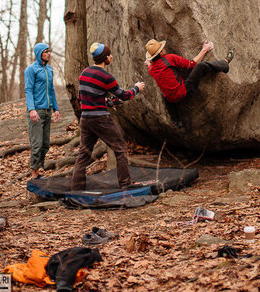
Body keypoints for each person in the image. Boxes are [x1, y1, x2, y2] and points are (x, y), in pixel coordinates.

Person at [71, 42, 145, 191]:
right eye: (109, 54)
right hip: (101, 119)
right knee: (120, 148)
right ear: (105, 58)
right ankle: (125, 183)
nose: (111, 56)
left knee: (84, 154)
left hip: (85, 119)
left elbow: (86, 97)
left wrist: (109, 102)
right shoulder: (106, 76)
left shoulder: (84, 73)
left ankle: (76, 188)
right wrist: (137, 88)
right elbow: (124, 95)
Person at [145, 38, 234, 129]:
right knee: (201, 66)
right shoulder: (169, 58)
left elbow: (149, 68)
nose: (164, 49)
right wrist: (204, 50)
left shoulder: (152, 69)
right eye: (162, 48)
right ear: (160, 53)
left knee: (166, 95)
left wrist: (148, 63)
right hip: (184, 92)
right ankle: (225, 63)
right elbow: (191, 64)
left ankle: (176, 120)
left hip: (171, 99)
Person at [24, 43, 61, 179]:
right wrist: (31, 109)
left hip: (47, 111)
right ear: (39, 54)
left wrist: (56, 108)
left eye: (49, 51)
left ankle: (38, 170)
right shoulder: (31, 70)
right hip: (37, 111)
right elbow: (28, 90)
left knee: (45, 144)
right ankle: (34, 174)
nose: (48, 53)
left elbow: (51, 90)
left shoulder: (49, 70)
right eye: (45, 52)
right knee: (37, 144)